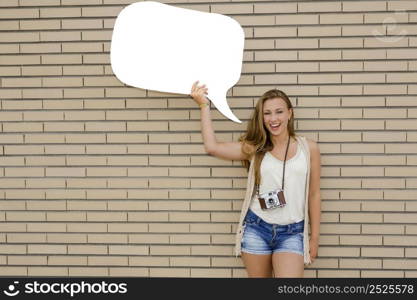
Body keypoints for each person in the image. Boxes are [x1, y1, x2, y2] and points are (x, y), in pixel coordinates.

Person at [190, 81, 321, 278]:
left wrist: (314, 238)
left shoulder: (308, 148)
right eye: (267, 113)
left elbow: (314, 194)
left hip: (293, 232)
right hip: (257, 228)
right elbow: (212, 147)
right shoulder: (255, 147)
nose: (273, 119)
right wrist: (203, 105)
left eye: (279, 112)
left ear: (289, 113)